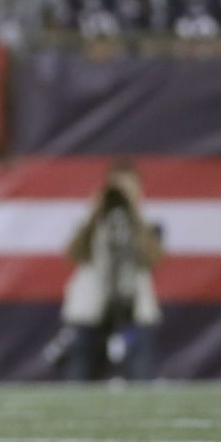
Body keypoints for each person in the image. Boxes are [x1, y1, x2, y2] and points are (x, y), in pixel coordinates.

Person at [58, 161, 163, 380]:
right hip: (90, 311)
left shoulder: (148, 221)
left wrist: (134, 212)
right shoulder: (92, 219)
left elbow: (153, 258)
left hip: (135, 312)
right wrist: (94, 215)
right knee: (79, 378)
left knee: (140, 378)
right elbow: (73, 254)